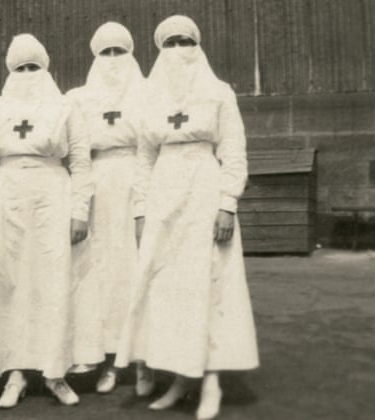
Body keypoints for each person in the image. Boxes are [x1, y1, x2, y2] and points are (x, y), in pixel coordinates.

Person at [114, 15, 259, 420]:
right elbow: (144, 158)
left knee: (209, 283)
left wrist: (227, 203)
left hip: (204, 192)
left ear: (198, 46)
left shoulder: (219, 92)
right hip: (164, 194)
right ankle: (180, 377)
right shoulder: (149, 98)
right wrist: (141, 210)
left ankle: (210, 380)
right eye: (171, 43)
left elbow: (234, 150)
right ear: (160, 50)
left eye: (186, 41)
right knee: (170, 288)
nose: (179, 50)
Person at [0, 33, 93, 408]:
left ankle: (55, 371)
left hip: (52, 192)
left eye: (34, 67)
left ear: (45, 68)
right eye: (20, 68)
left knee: (53, 280)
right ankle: (15, 373)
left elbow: (80, 162)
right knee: (10, 280)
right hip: (6, 193)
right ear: (9, 71)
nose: (27, 74)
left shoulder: (65, 107)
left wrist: (79, 211)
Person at [65, 21, 146, 394]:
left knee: (134, 269)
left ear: (131, 54)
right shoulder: (78, 99)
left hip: (135, 182)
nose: (113, 59)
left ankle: (142, 360)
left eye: (120, 51)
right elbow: (76, 154)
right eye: (105, 52)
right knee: (99, 275)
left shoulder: (148, 93)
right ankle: (106, 359)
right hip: (96, 186)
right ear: (95, 56)